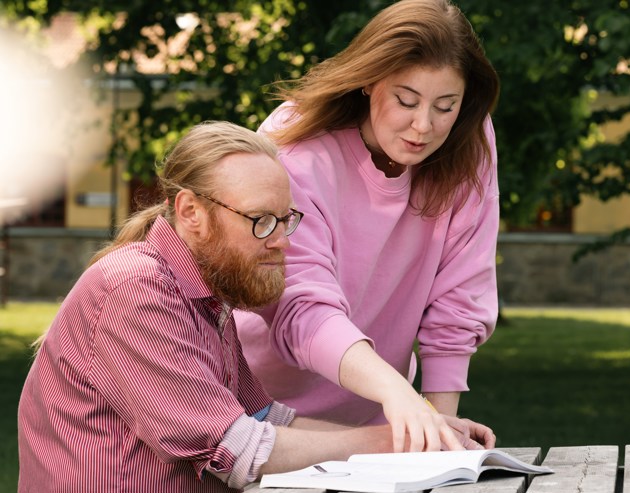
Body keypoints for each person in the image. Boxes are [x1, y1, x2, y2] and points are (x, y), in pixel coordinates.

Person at [17, 121, 487, 493]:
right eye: (261, 221)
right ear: (190, 213)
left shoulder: (207, 292)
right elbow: (237, 450)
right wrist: (393, 444)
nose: (282, 242)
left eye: (285, 220)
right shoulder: (135, 289)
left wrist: (430, 431)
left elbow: (264, 419)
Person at [235, 0, 501, 453]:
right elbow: (300, 309)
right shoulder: (294, 144)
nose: (424, 125)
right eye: (406, 100)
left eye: (445, 105)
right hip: (259, 416)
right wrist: (399, 394)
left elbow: (460, 296)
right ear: (368, 80)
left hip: (381, 417)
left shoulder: (468, 144)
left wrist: (438, 427)